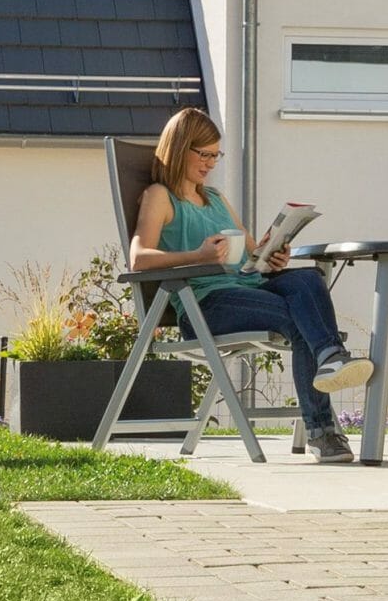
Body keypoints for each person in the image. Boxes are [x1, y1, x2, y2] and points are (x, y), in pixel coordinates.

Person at [130, 107, 372, 464]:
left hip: (246, 286)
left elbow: (250, 253)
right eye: (204, 154)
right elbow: (138, 258)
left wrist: (271, 256)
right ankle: (322, 432)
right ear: (181, 148)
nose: (211, 163)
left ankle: (329, 357)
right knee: (298, 319)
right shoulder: (160, 196)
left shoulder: (215, 198)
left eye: (216, 155)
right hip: (205, 303)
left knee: (308, 278)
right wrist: (198, 256)